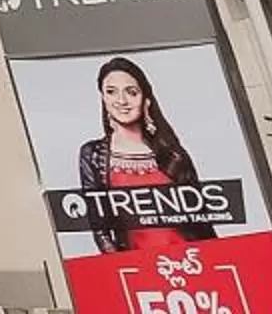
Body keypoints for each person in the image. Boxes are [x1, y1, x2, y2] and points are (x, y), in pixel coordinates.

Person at [75, 57, 212, 255]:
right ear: (103, 99)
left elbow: (202, 221)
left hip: (190, 263)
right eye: (111, 92)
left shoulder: (172, 154)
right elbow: (100, 227)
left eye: (131, 92)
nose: (121, 101)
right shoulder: (93, 154)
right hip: (138, 270)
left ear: (145, 100)